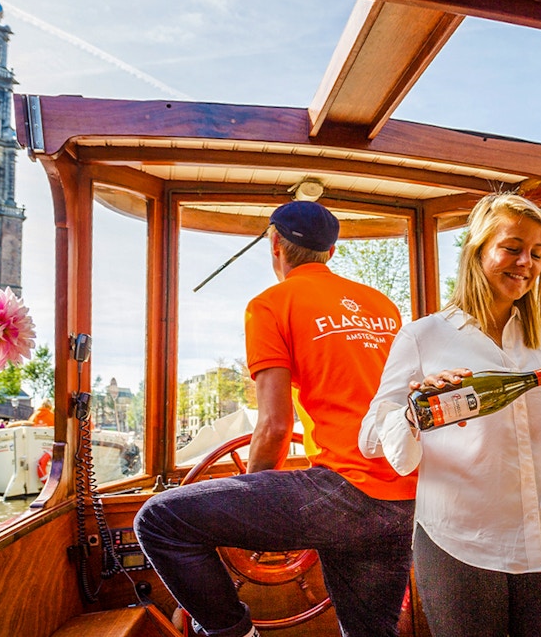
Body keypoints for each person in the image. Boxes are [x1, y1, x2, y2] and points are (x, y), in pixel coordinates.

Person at [135, 200, 416, 637]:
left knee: (158, 520)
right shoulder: (381, 304)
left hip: (343, 491)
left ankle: (236, 633)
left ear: (275, 246)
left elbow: (275, 426)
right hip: (406, 495)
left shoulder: (270, 304)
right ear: (332, 252)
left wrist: (251, 510)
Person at [360, 193, 541, 637]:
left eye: (537, 253)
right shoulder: (425, 336)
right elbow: (370, 439)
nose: (526, 263)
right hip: (460, 543)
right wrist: (419, 411)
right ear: (477, 250)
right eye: (512, 247)